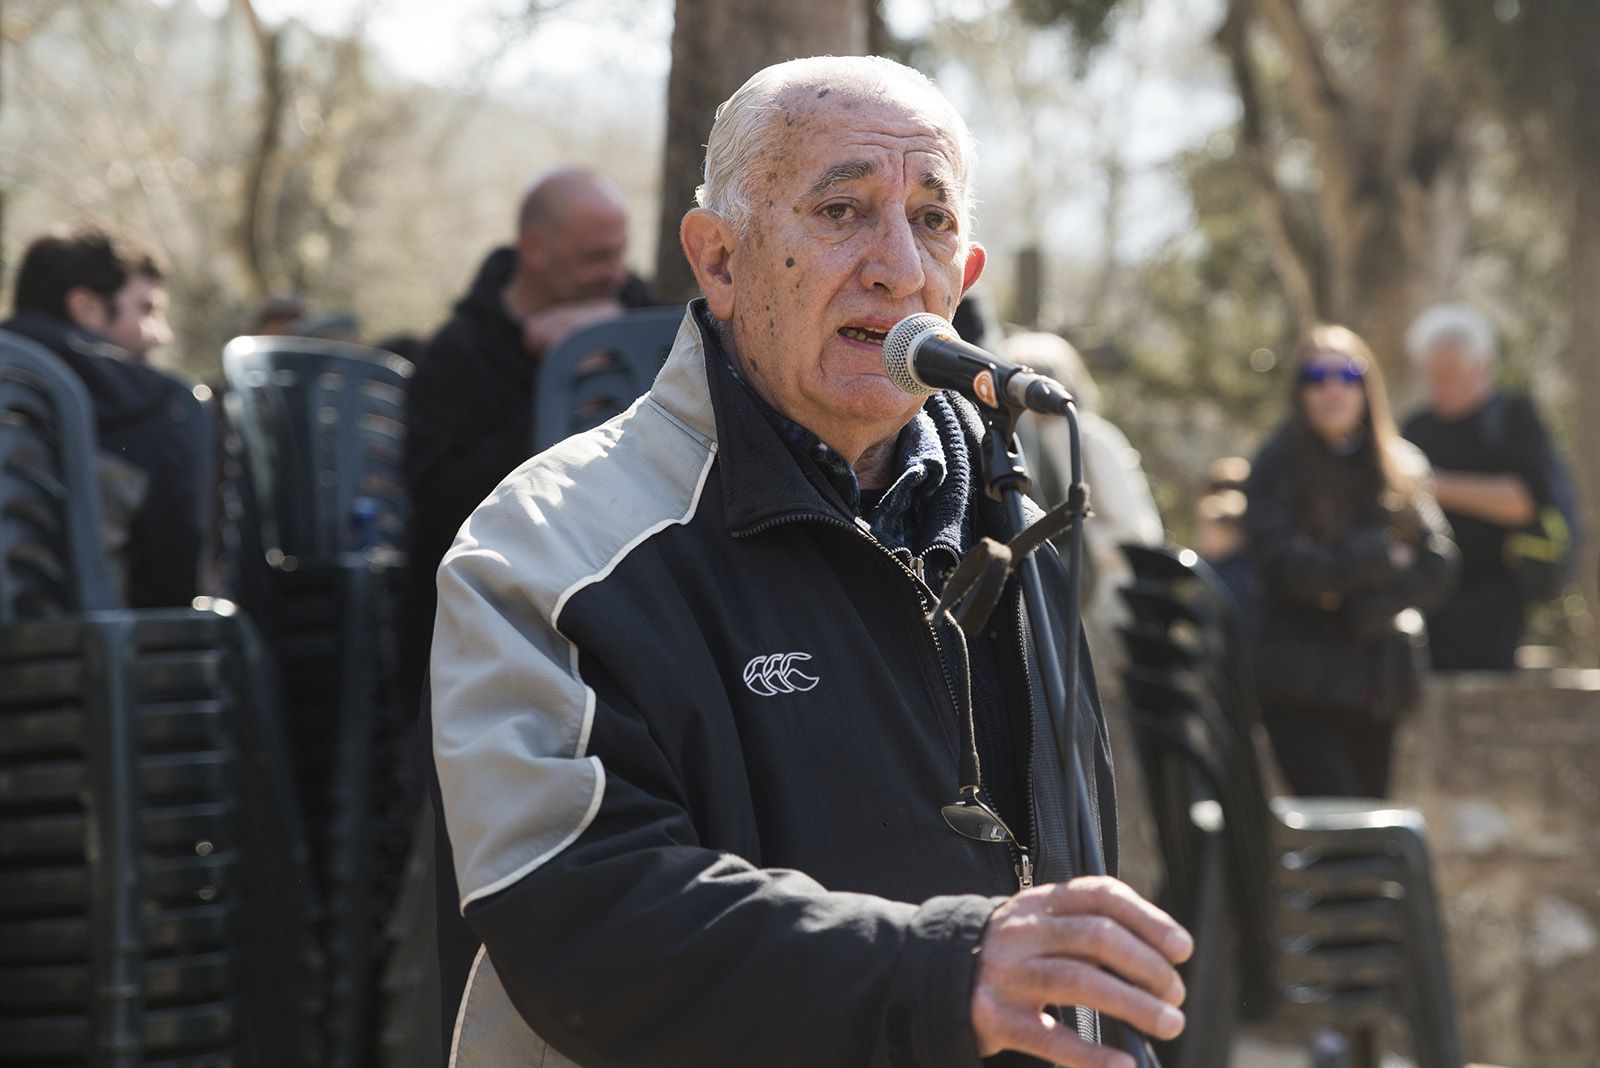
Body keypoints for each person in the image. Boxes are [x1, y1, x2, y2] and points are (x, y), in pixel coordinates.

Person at [430, 57, 1191, 1068]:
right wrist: (943, 973)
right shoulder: (548, 546)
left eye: (931, 220)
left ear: (963, 280)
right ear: (718, 261)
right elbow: (580, 918)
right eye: (841, 209)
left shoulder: (1015, 525)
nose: (894, 265)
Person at [1245, 325, 1458, 799]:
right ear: (1299, 389)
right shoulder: (1275, 464)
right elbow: (1287, 569)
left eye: (1346, 373)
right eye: (1316, 375)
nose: (1332, 387)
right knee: (1336, 830)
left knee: (1373, 831)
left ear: (1367, 385)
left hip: (1376, 686)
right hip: (1300, 689)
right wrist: (1379, 554)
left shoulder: (1399, 465)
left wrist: (1352, 590)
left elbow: (1438, 564)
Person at [2, 226, 204, 609]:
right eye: (147, 310)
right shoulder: (158, 406)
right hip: (85, 649)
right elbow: (172, 585)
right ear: (86, 308)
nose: (162, 335)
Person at [1401, 304, 1569, 670]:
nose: (1438, 385)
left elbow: (1524, 501)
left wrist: (1436, 487)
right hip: (1427, 597)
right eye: (1431, 374)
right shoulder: (1416, 428)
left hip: (1493, 601)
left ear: (1482, 367)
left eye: (1448, 373)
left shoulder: (1512, 418)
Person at [1004, 331, 1164, 627]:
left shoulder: (1092, 439)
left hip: (1104, 608)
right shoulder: (1015, 443)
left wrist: (1073, 543)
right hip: (1048, 606)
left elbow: (1137, 533)